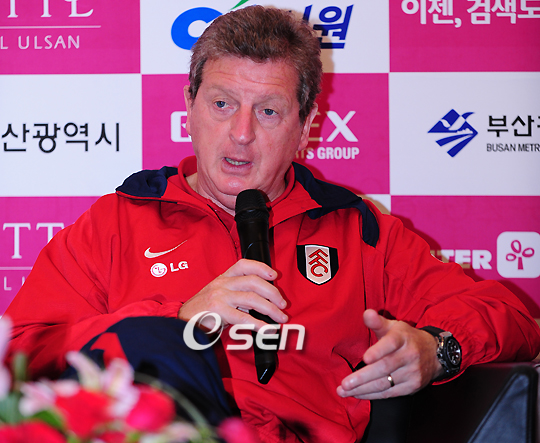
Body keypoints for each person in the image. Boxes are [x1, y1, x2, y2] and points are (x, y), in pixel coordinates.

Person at [4, 6, 540, 442]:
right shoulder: (118, 222)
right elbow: (20, 354)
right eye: (222, 104)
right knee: (159, 349)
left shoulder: (356, 232)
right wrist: (177, 320)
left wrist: (436, 351)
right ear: (189, 107)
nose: (241, 133)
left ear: (305, 127)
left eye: (268, 112)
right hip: (165, 435)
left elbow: (514, 318)